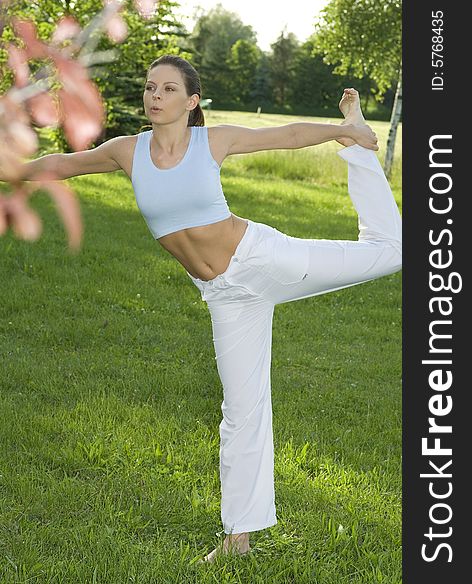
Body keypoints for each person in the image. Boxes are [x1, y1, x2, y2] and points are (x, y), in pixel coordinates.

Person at [14, 54, 402, 564]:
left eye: (168, 89)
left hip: (263, 260)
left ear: (191, 101)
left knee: (391, 252)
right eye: (150, 87)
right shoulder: (126, 152)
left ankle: (359, 151)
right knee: (241, 411)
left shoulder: (211, 141)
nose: (154, 95)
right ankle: (237, 538)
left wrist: (344, 131)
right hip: (224, 296)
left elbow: (284, 135)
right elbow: (59, 165)